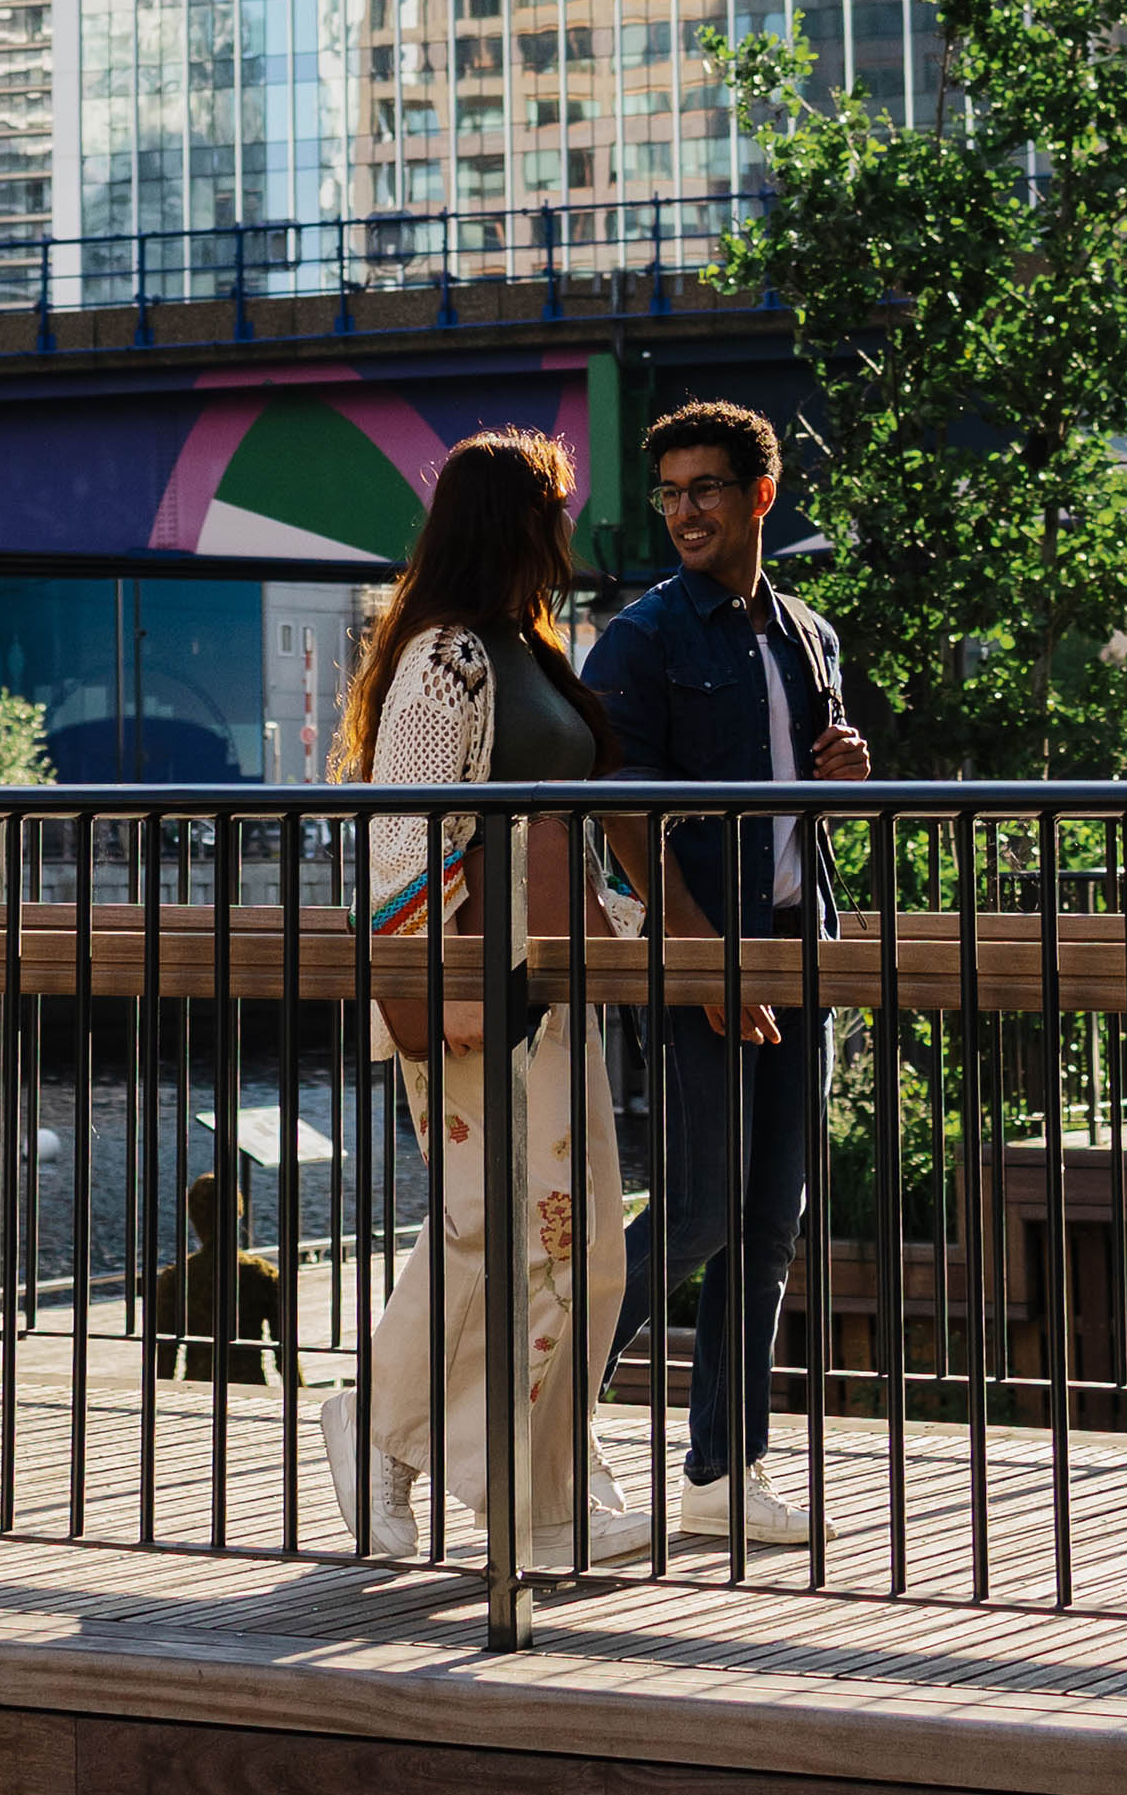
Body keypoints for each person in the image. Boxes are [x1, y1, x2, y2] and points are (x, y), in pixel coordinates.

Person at [320, 428, 651, 1572]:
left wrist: (624, 939)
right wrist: (434, 982)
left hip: (557, 984)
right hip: (478, 985)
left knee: (583, 1243)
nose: (568, 530)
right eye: (554, 508)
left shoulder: (526, 647)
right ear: (512, 521)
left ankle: (541, 1489)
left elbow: (573, 830)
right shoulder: (447, 660)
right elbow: (403, 827)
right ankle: (399, 1442)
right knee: (495, 1233)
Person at [584, 399, 870, 1550]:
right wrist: (702, 954)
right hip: (705, 952)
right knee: (697, 1211)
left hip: (804, 948)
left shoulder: (809, 634)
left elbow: (814, 783)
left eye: (706, 489)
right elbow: (622, 820)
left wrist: (846, 766)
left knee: (771, 1220)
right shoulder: (641, 642)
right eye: (670, 492)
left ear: (761, 495)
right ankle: (534, 1418)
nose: (685, 512)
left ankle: (722, 1472)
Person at [148, 1172, 293, 1384]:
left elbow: (165, 1358)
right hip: (249, 1388)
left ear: (193, 1217)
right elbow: (285, 1353)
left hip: (197, 1390)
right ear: (238, 1213)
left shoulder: (176, 1279)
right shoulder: (262, 1274)